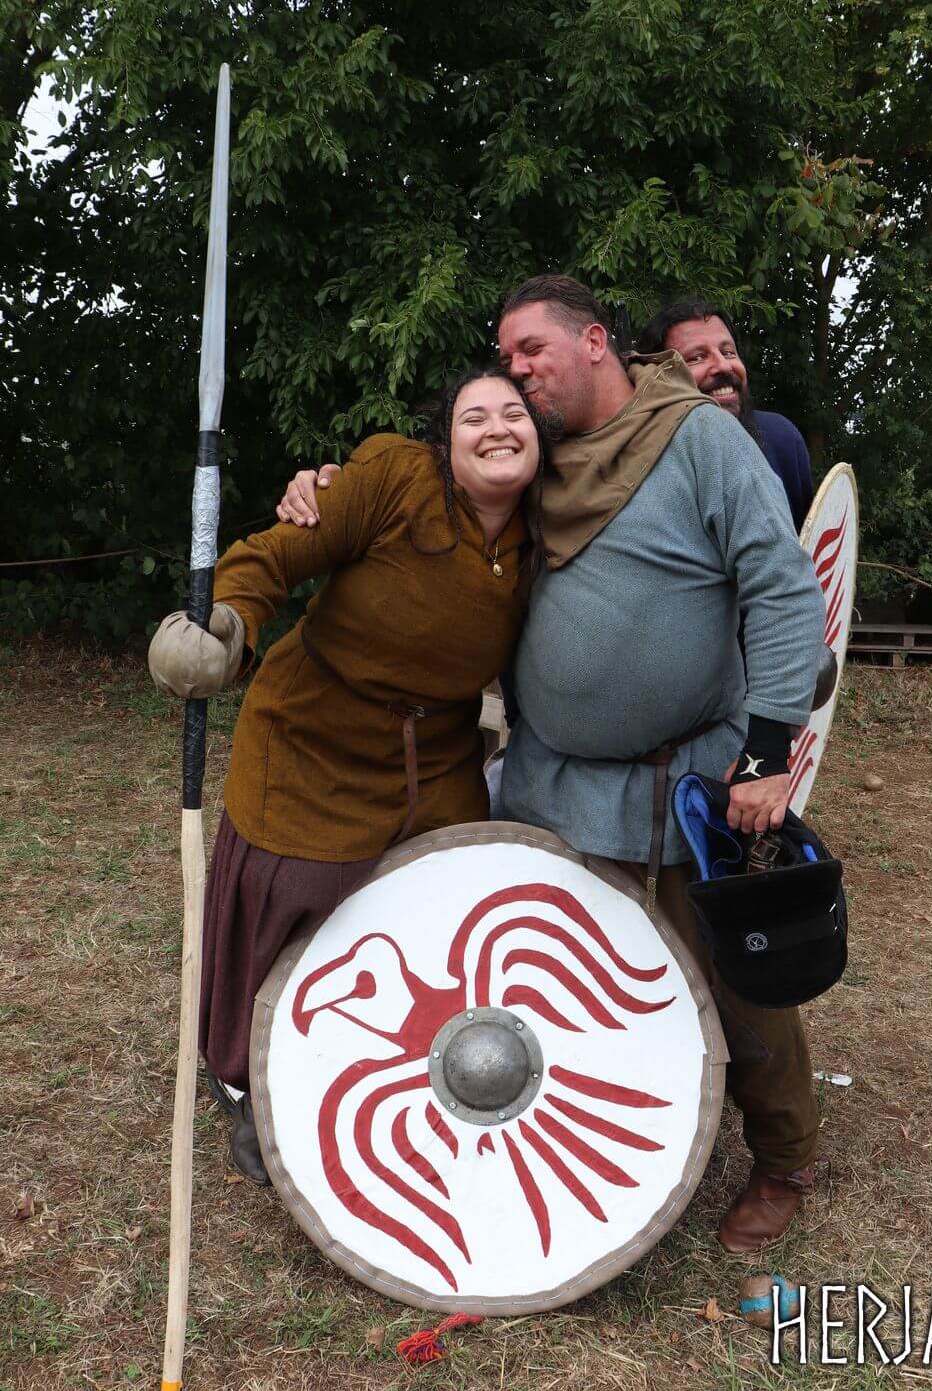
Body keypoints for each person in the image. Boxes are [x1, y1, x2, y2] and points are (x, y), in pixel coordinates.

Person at [278, 275, 829, 1254]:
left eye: (530, 349)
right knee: (559, 985)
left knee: (735, 977)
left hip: (689, 778)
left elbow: (780, 586)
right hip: (553, 777)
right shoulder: (532, 456)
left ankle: (783, 1157)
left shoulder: (697, 440)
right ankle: (611, 1148)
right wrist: (322, 485)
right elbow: (412, 491)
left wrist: (765, 753)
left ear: (596, 342)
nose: (516, 369)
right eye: (505, 356)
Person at [147, 369, 544, 1182]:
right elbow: (273, 555)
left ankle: (420, 1065)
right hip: (314, 732)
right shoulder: (394, 478)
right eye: (474, 416)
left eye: (515, 413)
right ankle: (257, 1082)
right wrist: (225, 622)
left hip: (438, 753)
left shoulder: (552, 521)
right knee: (300, 895)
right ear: (444, 440)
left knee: (446, 902)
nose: (497, 428)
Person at [641, 298, 814, 531]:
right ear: (659, 380)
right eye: (696, 357)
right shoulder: (641, 464)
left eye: (728, 352)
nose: (723, 366)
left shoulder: (780, 439)